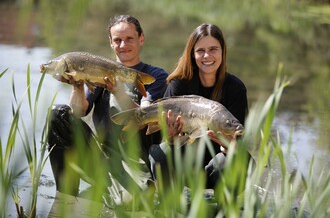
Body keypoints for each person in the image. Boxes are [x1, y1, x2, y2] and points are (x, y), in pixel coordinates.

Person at [47, 15, 168, 198]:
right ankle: (65, 198)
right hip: (101, 155)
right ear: (110, 42)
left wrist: (118, 91)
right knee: (58, 114)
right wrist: (77, 86)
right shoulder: (98, 68)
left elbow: (144, 116)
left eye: (129, 39)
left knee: (132, 205)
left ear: (141, 39)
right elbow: (79, 112)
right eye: (117, 40)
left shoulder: (155, 75)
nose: (123, 45)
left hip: (135, 162)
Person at [149, 23, 249, 189]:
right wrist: (172, 137)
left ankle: (224, 211)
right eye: (200, 50)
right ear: (192, 54)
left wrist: (229, 147)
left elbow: (239, 139)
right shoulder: (179, 84)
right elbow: (164, 140)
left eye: (213, 49)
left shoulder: (236, 88)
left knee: (232, 160)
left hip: (216, 166)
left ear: (223, 51)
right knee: (160, 154)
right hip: (183, 164)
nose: (206, 56)